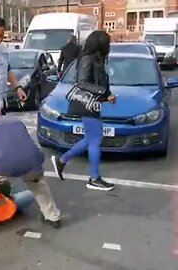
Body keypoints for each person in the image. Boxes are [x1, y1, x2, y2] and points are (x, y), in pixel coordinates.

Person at [0, 101, 61, 237]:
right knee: (37, 183)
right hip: (33, 159)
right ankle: (53, 217)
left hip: (5, 163)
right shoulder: (15, 121)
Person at [51, 30, 116, 191]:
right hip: (87, 104)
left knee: (90, 139)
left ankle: (62, 160)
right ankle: (94, 178)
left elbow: (99, 80)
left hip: (93, 104)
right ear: (100, 44)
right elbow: (82, 83)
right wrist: (103, 93)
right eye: (107, 43)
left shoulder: (97, 58)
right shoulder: (87, 59)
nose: (109, 46)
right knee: (95, 140)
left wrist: (108, 94)